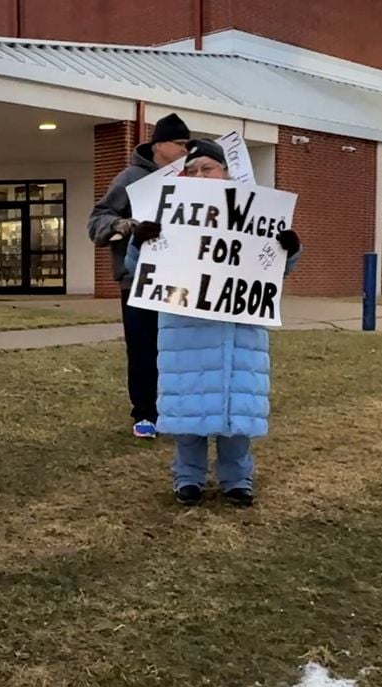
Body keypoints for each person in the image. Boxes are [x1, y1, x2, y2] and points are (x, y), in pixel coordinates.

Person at [124, 138, 302, 508]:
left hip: (239, 333)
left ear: (225, 172)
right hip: (184, 328)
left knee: (237, 408)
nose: (200, 175)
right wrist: (140, 242)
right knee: (189, 405)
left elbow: (275, 270)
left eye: (208, 168)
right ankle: (187, 477)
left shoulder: (254, 216)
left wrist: (289, 247)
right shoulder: (168, 215)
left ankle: (237, 479)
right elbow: (136, 269)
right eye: (192, 170)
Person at [88, 113, 191, 440]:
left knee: (177, 347)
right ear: (159, 145)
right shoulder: (130, 178)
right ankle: (145, 412)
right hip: (137, 279)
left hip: (181, 278)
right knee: (144, 347)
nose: (186, 150)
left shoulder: (192, 177)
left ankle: (175, 410)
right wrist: (123, 226)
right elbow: (97, 220)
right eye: (180, 144)